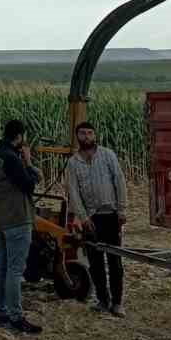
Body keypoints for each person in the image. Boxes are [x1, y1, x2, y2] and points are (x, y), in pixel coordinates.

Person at [0, 118, 43, 335]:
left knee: (1, 267)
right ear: (20, 137)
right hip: (17, 220)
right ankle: (16, 317)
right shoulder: (11, 159)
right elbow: (29, 184)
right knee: (15, 271)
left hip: (0, 220)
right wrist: (27, 161)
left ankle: (1, 313)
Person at [65, 121, 128, 317]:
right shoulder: (73, 163)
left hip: (110, 215)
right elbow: (73, 192)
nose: (86, 136)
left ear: (95, 135)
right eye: (82, 133)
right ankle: (103, 300)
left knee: (115, 261)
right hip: (90, 219)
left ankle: (117, 303)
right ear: (77, 137)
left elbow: (119, 181)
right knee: (95, 261)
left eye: (90, 133)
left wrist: (122, 209)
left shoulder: (108, 155)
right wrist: (83, 218)